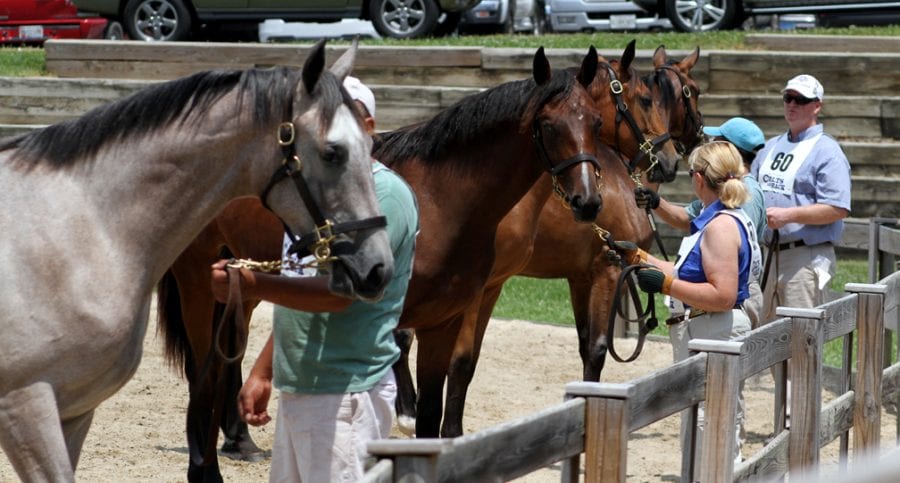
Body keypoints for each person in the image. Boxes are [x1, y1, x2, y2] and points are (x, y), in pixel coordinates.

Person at [210, 76, 419, 482]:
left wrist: (254, 285)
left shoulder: (384, 196)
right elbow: (299, 279)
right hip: (307, 386)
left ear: (369, 127)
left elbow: (341, 294)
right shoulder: (321, 197)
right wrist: (264, 371)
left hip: (346, 390)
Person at [615, 141, 761, 465]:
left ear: (698, 179)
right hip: (707, 330)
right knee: (703, 430)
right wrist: (638, 258)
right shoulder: (719, 219)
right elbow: (687, 274)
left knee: (708, 432)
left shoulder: (720, 227)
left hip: (712, 332)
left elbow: (722, 295)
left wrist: (666, 285)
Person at [635, 117, 767, 328]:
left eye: (716, 141)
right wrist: (656, 202)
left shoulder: (737, 203)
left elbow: (726, 265)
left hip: (730, 303)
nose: (710, 142)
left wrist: (667, 285)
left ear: (727, 149)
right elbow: (687, 219)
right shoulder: (721, 194)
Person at [751, 74, 851, 323]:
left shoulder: (827, 151)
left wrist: (787, 215)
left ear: (817, 105)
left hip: (804, 258)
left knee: (801, 341)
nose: (792, 104)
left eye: (801, 99)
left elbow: (837, 208)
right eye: (788, 98)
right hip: (767, 256)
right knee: (764, 344)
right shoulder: (770, 146)